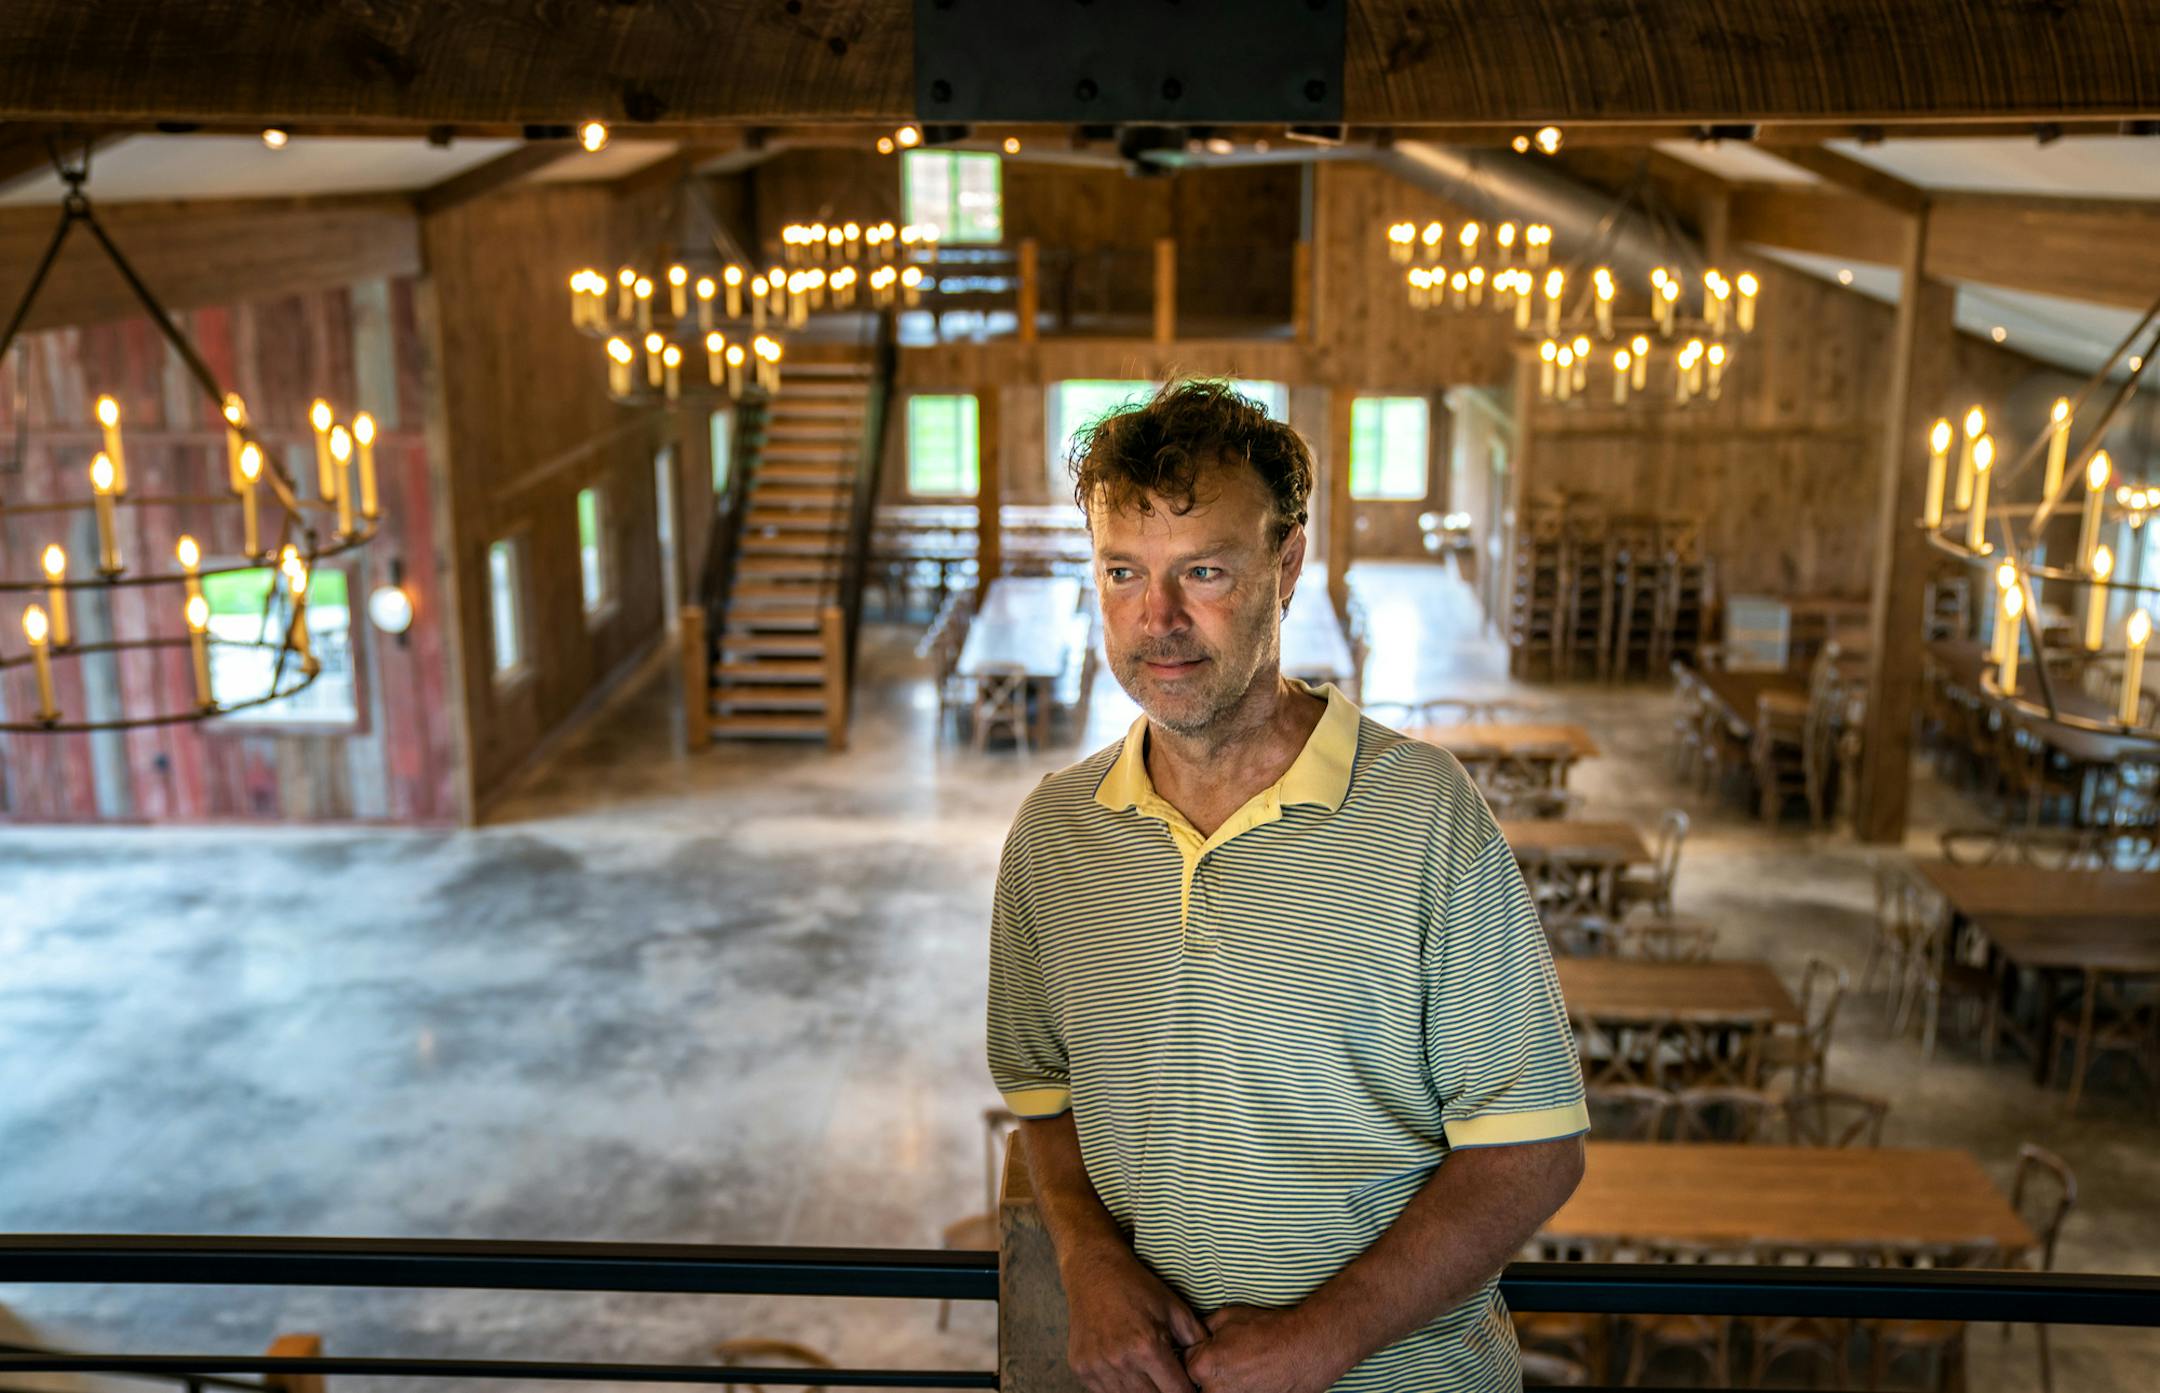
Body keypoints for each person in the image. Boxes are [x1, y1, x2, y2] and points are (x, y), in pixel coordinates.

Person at [986, 379, 1588, 1392]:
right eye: (1122, 571)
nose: (1157, 617)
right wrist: (1089, 1260)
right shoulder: (1055, 836)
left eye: (1204, 572)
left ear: (1289, 563)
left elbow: (1532, 1149)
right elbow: (1042, 1094)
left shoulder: (1425, 814)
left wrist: (1325, 1336)